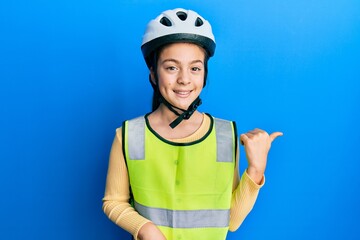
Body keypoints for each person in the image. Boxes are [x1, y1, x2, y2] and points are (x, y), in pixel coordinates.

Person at [102, 8, 282, 240]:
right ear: (154, 74)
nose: (184, 79)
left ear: (204, 74)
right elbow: (113, 201)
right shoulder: (128, 135)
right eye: (171, 67)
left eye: (195, 68)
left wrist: (256, 169)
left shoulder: (225, 135)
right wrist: (145, 229)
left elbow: (232, 222)